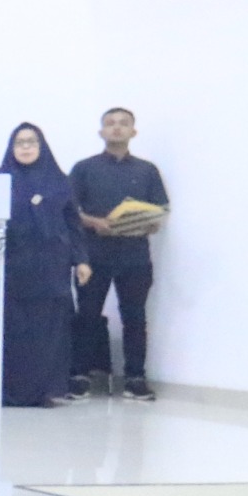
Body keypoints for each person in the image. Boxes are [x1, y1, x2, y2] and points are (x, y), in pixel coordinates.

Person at [70, 106, 169, 402]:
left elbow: (160, 210)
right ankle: (79, 376)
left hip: (134, 255)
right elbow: (70, 212)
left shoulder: (147, 170)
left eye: (123, 124)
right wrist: (94, 222)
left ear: (133, 132)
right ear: (101, 132)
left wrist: (148, 224)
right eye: (110, 123)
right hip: (93, 253)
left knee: (135, 317)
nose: (116, 128)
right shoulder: (84, 168)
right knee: (87, 314)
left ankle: (135, 379)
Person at [0, 123, 90, 408]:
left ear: (42, 147)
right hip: (12, 268)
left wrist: (82, 260)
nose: (25, 147)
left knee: (50, 330)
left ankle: (48, 391)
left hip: (52, 268)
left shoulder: (60, 181)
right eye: (20, 143)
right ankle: (10, 392)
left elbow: (74, 224)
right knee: (14, 329)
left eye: (31, 142)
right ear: (11, 148)